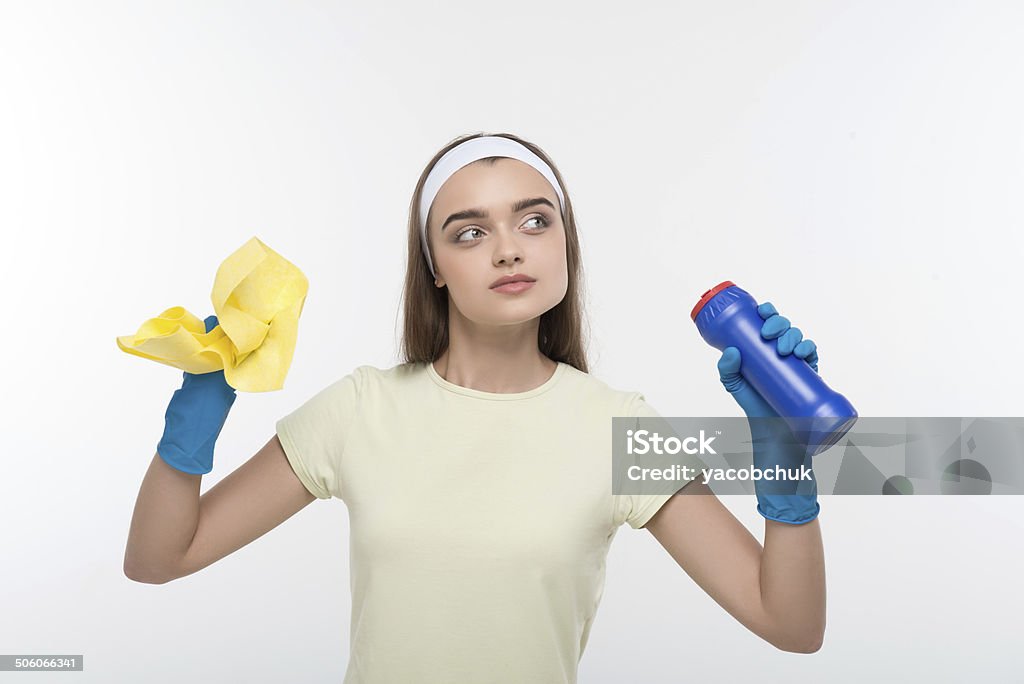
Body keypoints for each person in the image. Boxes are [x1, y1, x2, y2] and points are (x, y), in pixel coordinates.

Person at [124, 132, 826, 682]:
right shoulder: (360, 410)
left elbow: (790, 625)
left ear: (565, 245)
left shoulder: (621, 429)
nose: (508, 250)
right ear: (433, 265)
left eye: (534, 222)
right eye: (469, 232)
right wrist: (196, 415)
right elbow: (159, 558)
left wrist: (788, 467)